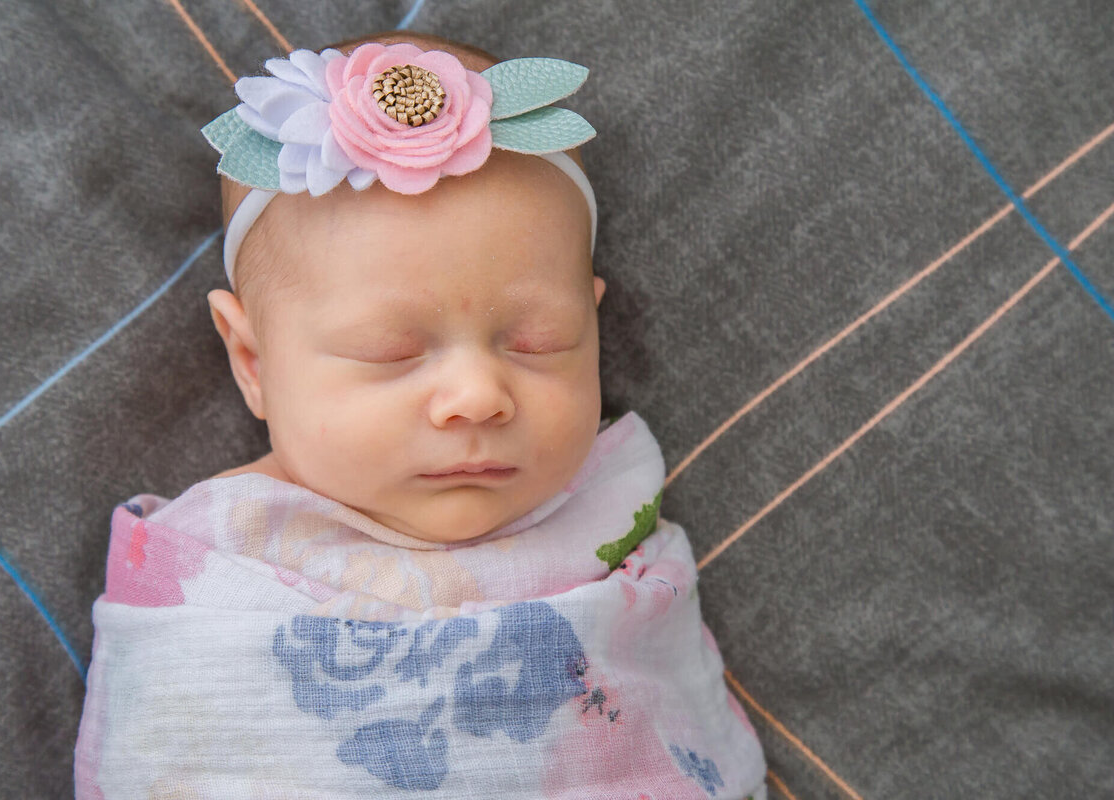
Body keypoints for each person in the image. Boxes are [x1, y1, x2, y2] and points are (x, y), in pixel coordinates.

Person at [75, 30, 767, 799]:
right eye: (389, 351)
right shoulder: (213, 569)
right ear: (253, 361)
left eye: (541, 343)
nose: (478, 396)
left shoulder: (615, 515)